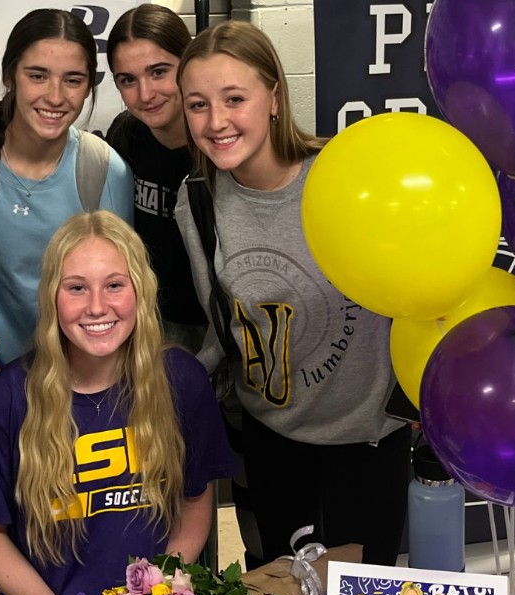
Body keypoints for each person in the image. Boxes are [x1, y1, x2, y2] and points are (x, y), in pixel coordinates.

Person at [174, 21, 411, 566]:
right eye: (198, 105)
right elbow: (223, 326)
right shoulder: (199, 200)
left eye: (235, 98)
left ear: (274, 97)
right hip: (273, 434)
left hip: (368, 432)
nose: (217, 122)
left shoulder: (346, 175)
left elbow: (410, 292)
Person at [0, 211, 234, 595]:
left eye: (114, 285)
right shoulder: (5, 398)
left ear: (140, 292)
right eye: (76, 288)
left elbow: (196, 499)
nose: (97, 307)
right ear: (51, 297)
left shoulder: (181, 380)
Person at [0, 8, 133, 364]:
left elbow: (123, 296)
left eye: (72, 80)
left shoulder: (102, 170)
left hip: (75, 380)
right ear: (11, 76)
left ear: (89, 87)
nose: (55, 97)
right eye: (38, 76)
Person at [106, 4, 206, 353]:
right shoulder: (126, 137)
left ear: (187, 65)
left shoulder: (220, 143)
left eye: (159, 72)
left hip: (222, 325)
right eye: (128, 80)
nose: (145, 94)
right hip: (153, 323)